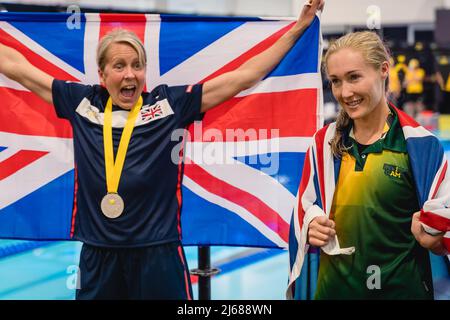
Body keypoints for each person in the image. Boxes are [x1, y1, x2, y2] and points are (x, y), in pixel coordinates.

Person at [0, 1, 324, 300]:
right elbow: (18, 67)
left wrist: (298, 27)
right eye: (119, 66)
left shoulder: (168, 105)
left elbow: (243, 77)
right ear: (102, 75)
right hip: (98, 255)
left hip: (159, 254)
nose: (130, 74)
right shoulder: (83, 104)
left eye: (137, 65)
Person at [287, 31, 449, 300]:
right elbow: (304, 206)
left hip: (402, 292)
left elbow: (443, 224)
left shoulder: (420, 145)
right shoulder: (323, 143)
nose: (344, 92)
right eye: (336, 81)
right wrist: (311, 223)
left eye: (354, 77)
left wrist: (437, 238)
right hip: (334, 292)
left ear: (384, 70)